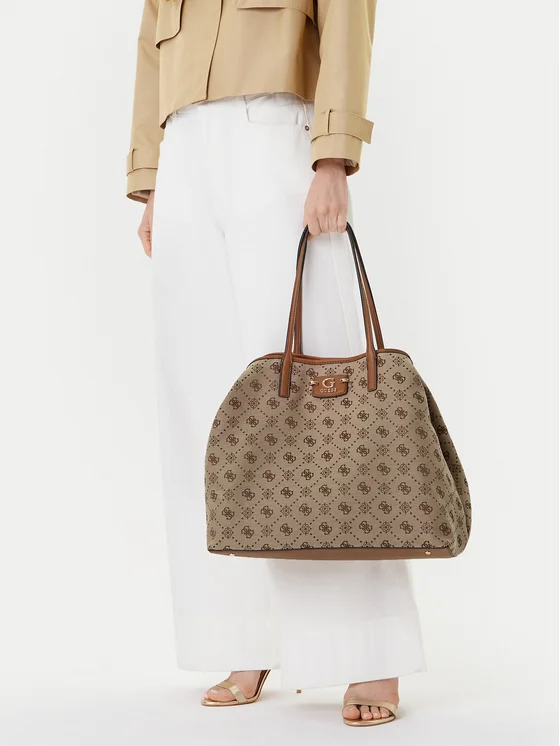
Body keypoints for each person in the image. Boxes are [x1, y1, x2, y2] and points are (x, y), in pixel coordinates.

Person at [126, 0, 426, 726]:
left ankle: (368, 651)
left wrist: (333, 157)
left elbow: (347, 24)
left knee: (318, 399)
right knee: (204, 407)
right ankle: (244, 638)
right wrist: (152, 180)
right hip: (185, 149)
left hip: (275, 136)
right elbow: (150, 45)